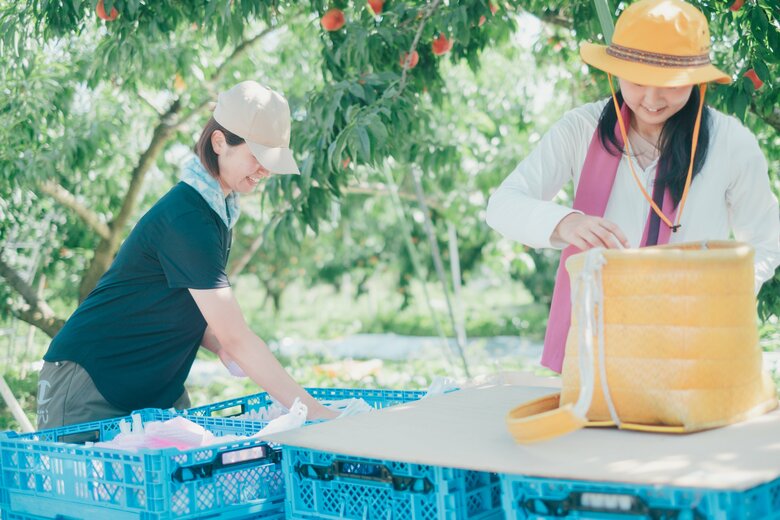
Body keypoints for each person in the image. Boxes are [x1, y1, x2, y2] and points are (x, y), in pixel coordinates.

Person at [486, 0, 780, 374]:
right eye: (638, 81)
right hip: (596, 343)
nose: (652, 100)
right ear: (617, 71)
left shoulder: (731, 143)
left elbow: (766, 241)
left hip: (691, 348)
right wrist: (567, 223)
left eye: (670, 84)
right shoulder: (580, 129)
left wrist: (719, 300)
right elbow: (502, 205)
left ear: (695, 79)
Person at [37, 81, 338, 429]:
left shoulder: (216, 212)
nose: (265, 171)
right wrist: (315, 413)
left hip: (153, 388)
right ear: (219, 142)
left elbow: (182, 303)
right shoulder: (188, 218)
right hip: (93, 382)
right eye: (257, 157)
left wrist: (219, 344)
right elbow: (237, 337)